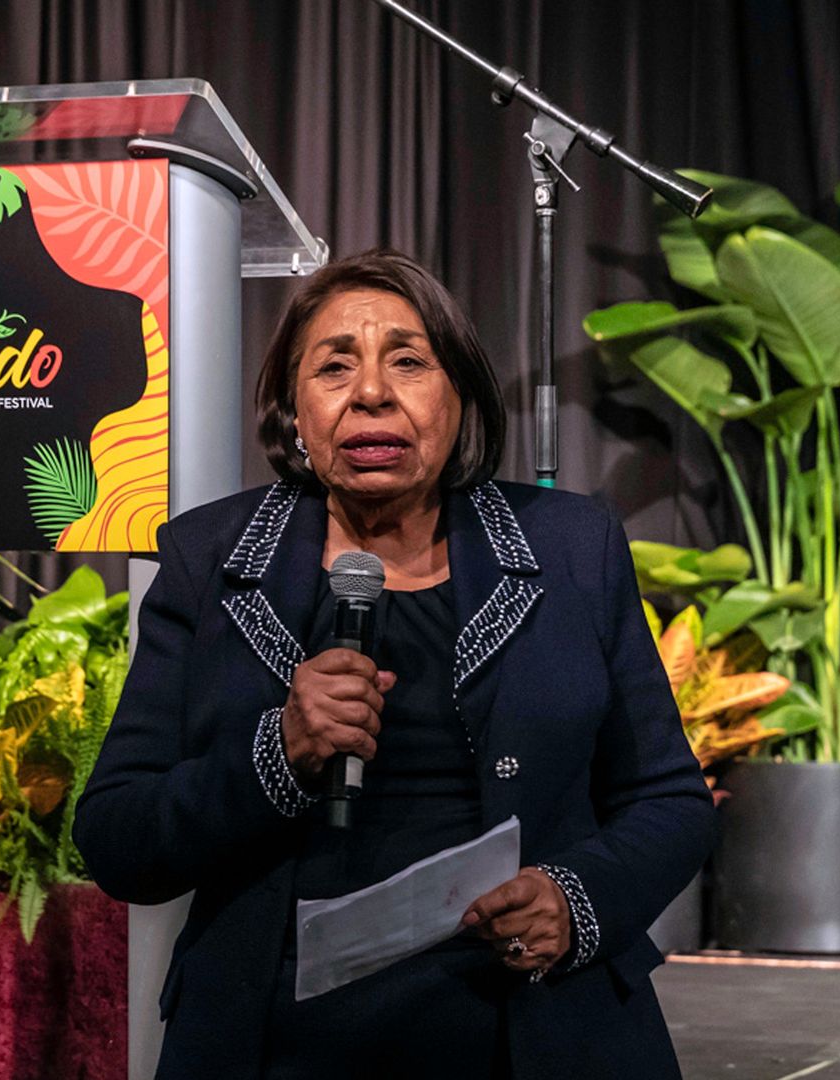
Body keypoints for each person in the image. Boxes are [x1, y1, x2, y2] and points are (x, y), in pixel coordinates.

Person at [73, 248, 716, 1078]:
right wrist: (280, 753)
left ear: (460, 398)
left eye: (408, 361)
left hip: (537, 1028)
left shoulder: (571, 548)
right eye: (335, 365)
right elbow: (118, 838)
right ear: (291, 411)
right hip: (278, 1039)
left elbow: (669, 801)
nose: (372, 391)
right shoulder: (212, 561)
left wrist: (576, 897)